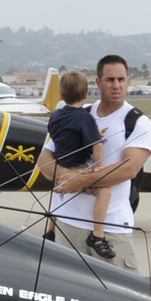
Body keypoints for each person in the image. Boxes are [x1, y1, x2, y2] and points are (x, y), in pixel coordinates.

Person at [33, 54, 151, 268]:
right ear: (97, 83)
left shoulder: (137, 122)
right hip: (67, 225)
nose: (116, 85)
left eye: (121, 79)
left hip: (111, 229)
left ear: (128, 82)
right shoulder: (78, 113)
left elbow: (129, 169)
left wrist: (79, 181)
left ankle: (96, 236)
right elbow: (45, 158)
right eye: (110, 80)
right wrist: (65, 176)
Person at [44, 70, 115, 258]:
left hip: (61, 164)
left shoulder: (55, 116)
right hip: (78, 167)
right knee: (105, 191)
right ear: (86, 94)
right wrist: (97, 169)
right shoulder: (85, 118)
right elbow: (97, 146)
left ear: (60, 95)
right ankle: (98, 235)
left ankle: (51, 230)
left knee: (60, 195)